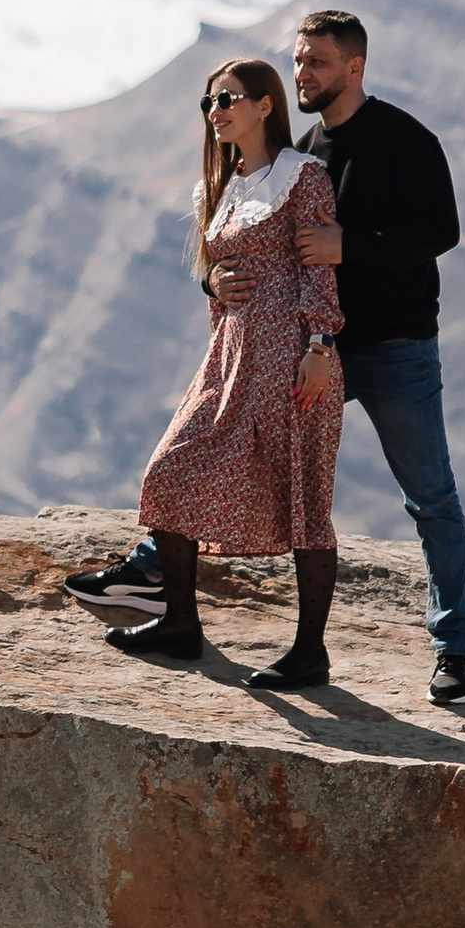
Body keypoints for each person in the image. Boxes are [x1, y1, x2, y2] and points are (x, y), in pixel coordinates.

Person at [91, 59, 344, 691]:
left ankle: (309, 653)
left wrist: (319, 343)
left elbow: (320, 265)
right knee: (171, 470)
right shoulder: (218, 185)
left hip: (292, 353)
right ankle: (181, 624)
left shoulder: (302, 175)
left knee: (304, 496)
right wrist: (213, 280)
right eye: (208, 102)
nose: (215, 111)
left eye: (227, 99)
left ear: (265, 105)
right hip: (230, 356)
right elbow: (214, 274)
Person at [265, 7, 465, 703]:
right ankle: (298, 646)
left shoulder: (404, 139)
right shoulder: (305, 150)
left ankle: (453, 649)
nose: (303, 73)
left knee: (431, 499)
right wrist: (219, 275)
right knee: (254, 449)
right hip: (320, 349)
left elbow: (439, 229)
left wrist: (349, 246)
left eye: (317, 62)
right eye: (299, 60)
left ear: (354, 67)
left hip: (395, 349)